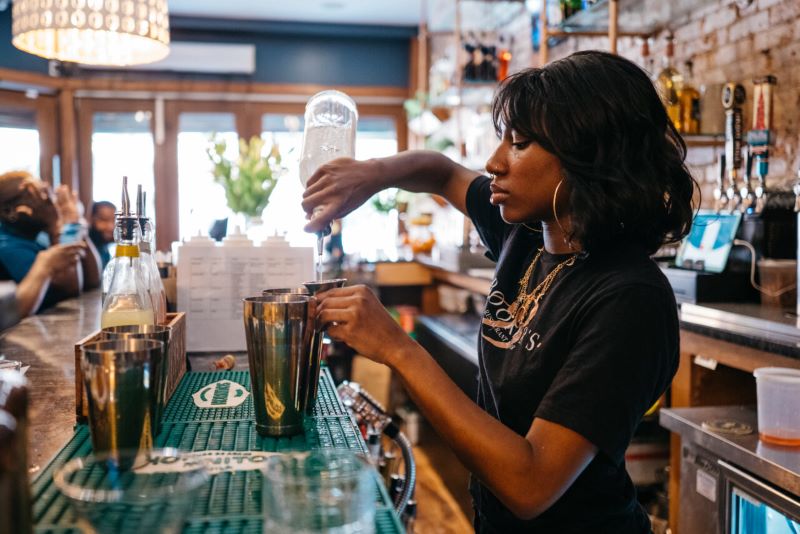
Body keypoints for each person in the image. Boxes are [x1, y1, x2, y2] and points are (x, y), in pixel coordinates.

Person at [302, 51, 695, 533]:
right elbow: (442, 172)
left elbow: (531, 483)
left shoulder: (630, 299)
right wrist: (374, 174)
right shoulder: (528, 236)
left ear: (588, 159)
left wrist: (399, 349)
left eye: (521, 143)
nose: (494, 162)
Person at [0, 171, 101, 314]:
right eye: (39, 194)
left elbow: (92, 280)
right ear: (14, 211)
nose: (50, 201)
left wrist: (76, 222)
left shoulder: (38, 237)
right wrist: (57, 225)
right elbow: (70, 288)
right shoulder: (7, 246)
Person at [88, 200, 116, 269]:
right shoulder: (87, 251)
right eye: (104, 220)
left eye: (114, 221)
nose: (111, 227)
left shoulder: (104, 248)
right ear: (90, 220)